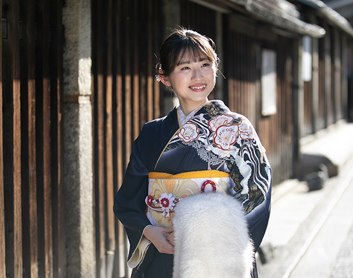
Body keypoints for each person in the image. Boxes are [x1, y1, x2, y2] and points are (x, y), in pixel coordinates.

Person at [113, 28, 272, 278]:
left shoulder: (236, 129)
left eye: (205, 64)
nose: (197, 75)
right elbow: (127, 201)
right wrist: (150, 232)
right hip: (162, 254)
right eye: (184, 67)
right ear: (165, 77)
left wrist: (202, 234)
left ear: (215, 67)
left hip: (216, 259)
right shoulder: (151, 133)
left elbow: (257, 196)